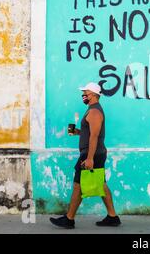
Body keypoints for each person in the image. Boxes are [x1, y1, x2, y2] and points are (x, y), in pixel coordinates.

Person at [50, 82, 121, 229]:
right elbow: (90, 134)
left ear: (94, 95)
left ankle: (69, 219)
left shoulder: (94, 112)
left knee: (78, 185)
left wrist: (89, 158)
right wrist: (78, 132)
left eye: (86, 93)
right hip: (95, 153)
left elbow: (95, 136)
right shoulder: (92, 110)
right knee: (101, 184)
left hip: (91, 154)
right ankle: (112, 217)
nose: (83, 95)